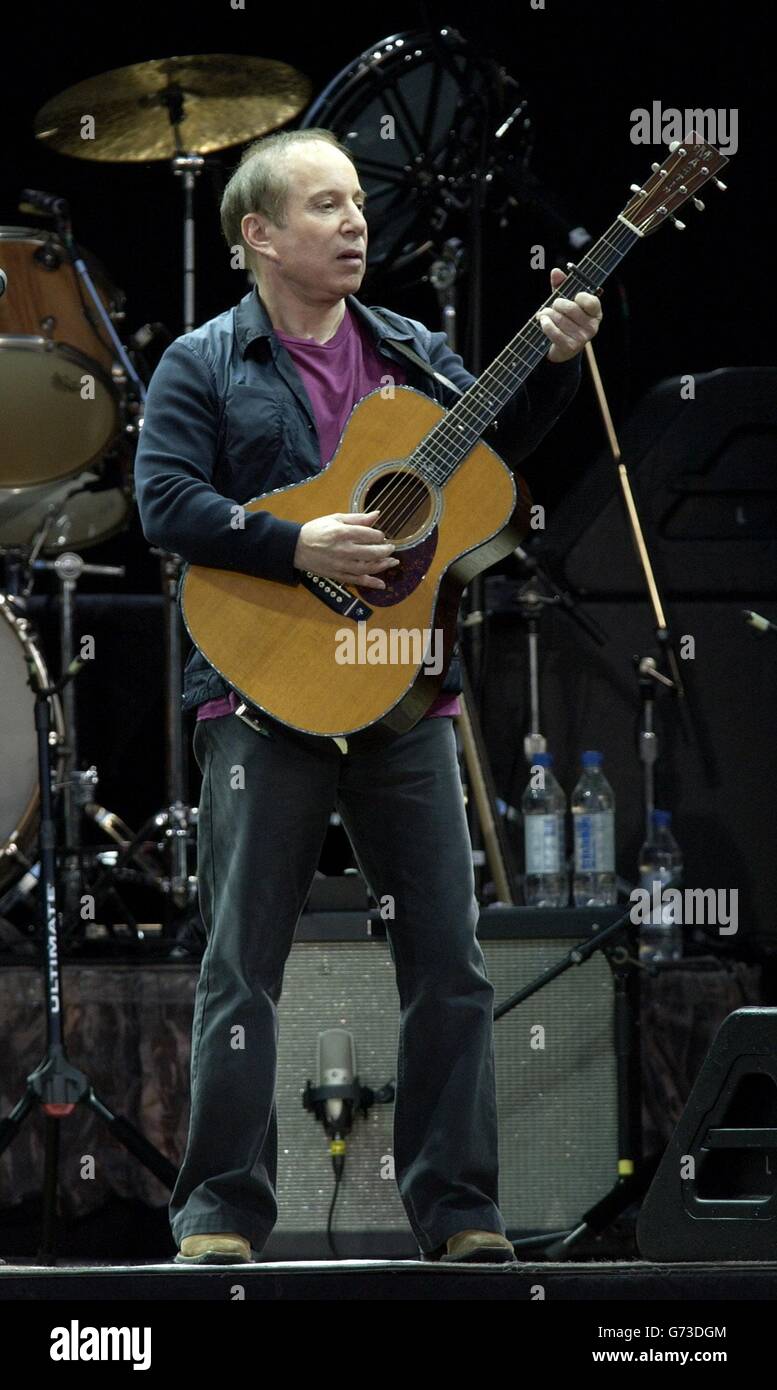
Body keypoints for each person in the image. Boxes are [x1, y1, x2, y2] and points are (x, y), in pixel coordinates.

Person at [134, 127, 603, 1265]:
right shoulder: (203, 361)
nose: (355, 223)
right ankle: (220, 1217)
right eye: (325, 206)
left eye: (356, 202)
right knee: (242, 963)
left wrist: (547, 364)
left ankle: (460, 1212)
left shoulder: (412, 352)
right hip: (260, 695)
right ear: (258, 235)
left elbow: (488, 469)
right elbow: (164, 507)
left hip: (405, 699)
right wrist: (296, 544)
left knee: (450, 960)